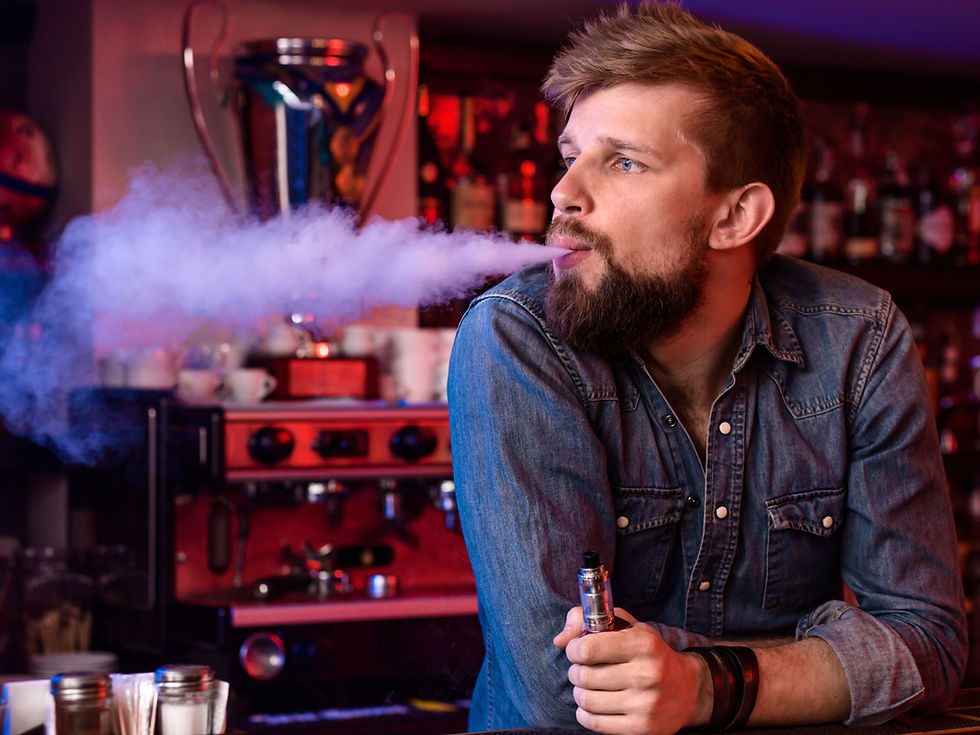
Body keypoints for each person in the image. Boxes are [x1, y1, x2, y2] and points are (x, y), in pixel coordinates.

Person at [447, 2, 968, 734]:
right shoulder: (516, 334)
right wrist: (809, 666)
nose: (564, 194)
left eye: (623, 162)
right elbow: (561, 693)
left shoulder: (860, 338)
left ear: (735, 217)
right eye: (571, 156)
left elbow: (929, 648)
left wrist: (698, 684)